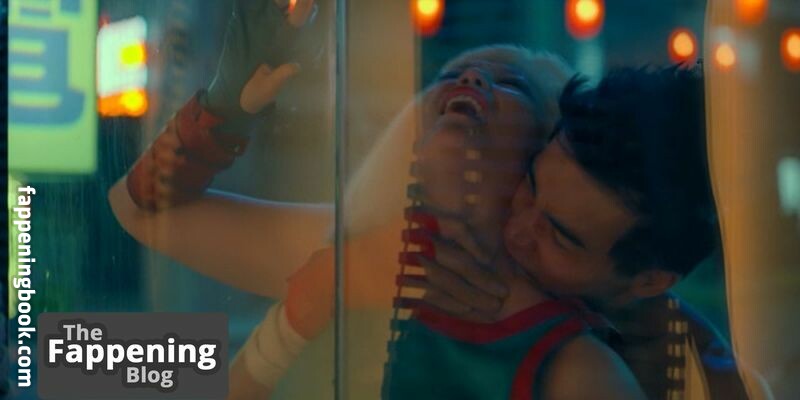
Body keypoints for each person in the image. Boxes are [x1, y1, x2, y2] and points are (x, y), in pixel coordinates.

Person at [108, 1, 745, 398]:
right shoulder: (384, 249)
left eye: (511, 84)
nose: (470, 81)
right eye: (532, 187)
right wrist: (225, 107)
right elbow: (136, 221)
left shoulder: (607, 354)